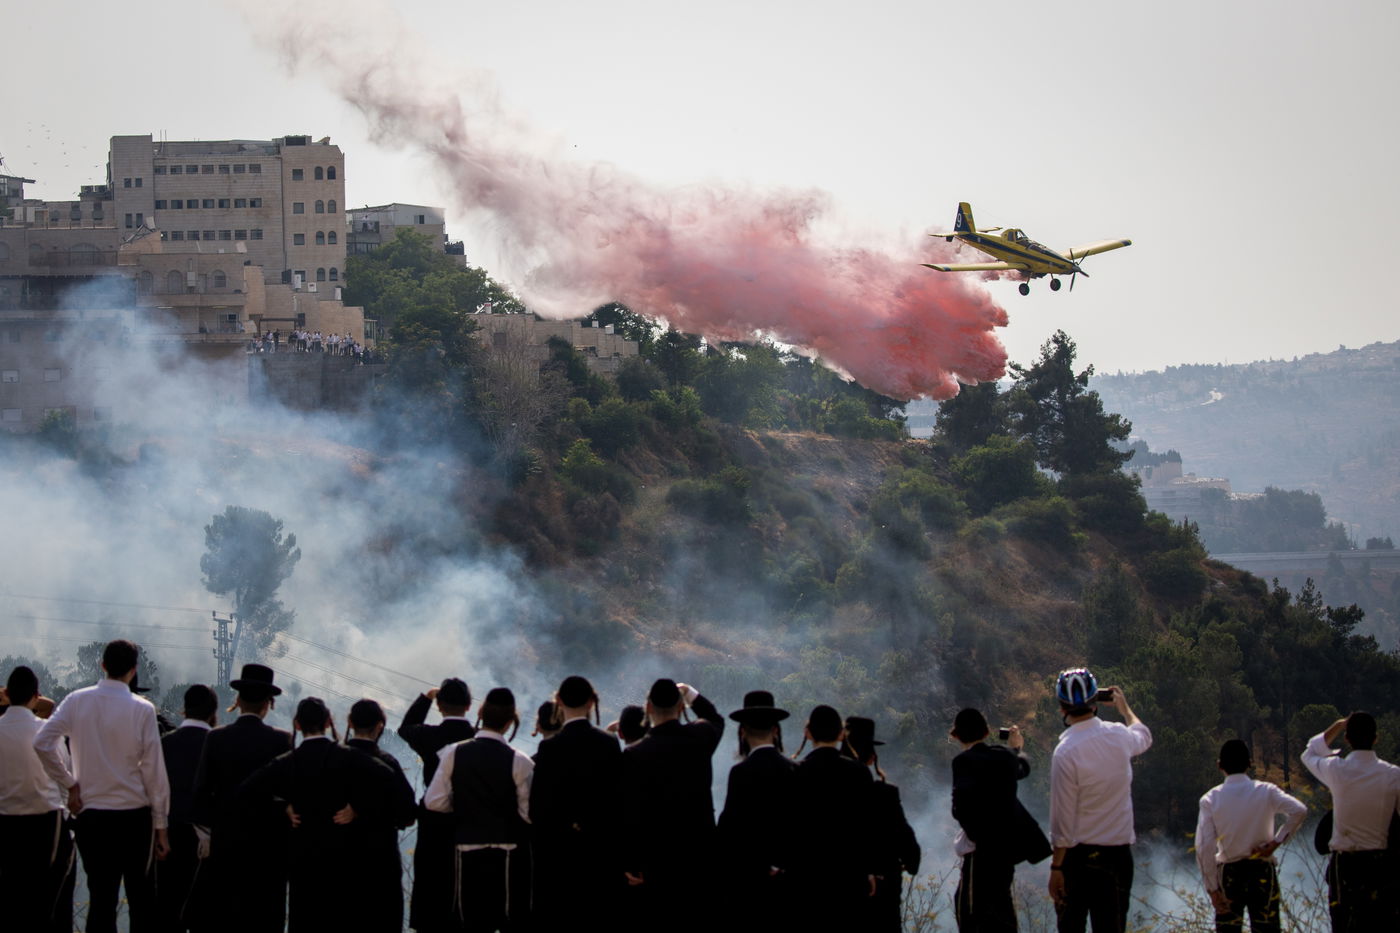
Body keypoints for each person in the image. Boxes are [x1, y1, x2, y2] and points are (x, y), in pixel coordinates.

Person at [34, 639, 170, 933]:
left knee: (101, 899)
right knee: (141, 899)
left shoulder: (76, 701)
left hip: (92, 816)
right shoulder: (143, 709)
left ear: (103, 665)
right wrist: (161, 826)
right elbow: (154, 772)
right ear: (133, 671)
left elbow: (42, 742)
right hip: (135, 818)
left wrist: (70, 784)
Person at [239, 696, 398, 933]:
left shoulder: (287, 762)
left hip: (302, 863)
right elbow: (388, 780)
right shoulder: (349, 757)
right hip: (342, 863)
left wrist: (283, 806)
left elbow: (246, 792)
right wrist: (358, 808)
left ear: (298, 725)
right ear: (328, 721)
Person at [1047, 668, 1152, 933]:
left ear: (1062, 708)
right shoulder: (1119, 735)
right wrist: (1125, 709)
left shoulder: (1065, 752)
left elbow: (1062, 819)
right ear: (1095, 702)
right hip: (1117, 856)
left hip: (1077, 859)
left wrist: (1057, 866)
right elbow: (1144, 736)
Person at [190, 663, 292, 933]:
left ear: (237, 700)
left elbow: (200, 796)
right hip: (269, 854)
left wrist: (211, 833)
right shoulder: (283, 741)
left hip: (225, 850)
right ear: (268, 704)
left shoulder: (216, 738)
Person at [425, 687, 534, 932]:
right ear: (509, 723)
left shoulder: (453, 753)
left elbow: (434, 802)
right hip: (507, 852)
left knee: (472, 922)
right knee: (508, 920)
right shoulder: (521, 761)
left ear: (480, 712)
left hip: (466, 847)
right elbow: (528, 813)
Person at [529, 675, 623, 929]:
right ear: (592, 702)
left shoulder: (549, 749)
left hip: (557, 857)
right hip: (600, 855)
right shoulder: (609, 743)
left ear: (558, 701)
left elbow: (538, 809)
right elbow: (618, 801)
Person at [950, 708, 1049, 933]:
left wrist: (976, 836)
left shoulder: (963, 761)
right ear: (986, 732)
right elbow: (1022, 768)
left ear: (956, 735)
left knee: (972, 914)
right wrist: (1016, 748)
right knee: (1001, 911)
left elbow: (960, 808)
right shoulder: (1004, 757)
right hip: (1005, 853)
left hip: (981, 853)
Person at [1300, 711, 1400, 931]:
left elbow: (1309, 754)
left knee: (1344, 925)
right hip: (1380, 865)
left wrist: (1337, 725)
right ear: (1376, 738)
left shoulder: (1336, 769)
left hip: (1345, 865)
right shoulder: (1393, 775)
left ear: (1347, 739)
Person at [1196, 739, 1306, 933]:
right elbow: (1299, 810)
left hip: (1229, 873)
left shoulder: (1210, 799)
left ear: (1219, 765)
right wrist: (1276, 842)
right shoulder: (1266, 791)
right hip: (1262, 869)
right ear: (1249, 763)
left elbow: (1205, 847)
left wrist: (1212, 889)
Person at [0, 665, 76, 933]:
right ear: (36, 696)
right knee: (49, 906)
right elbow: (63, 776)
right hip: (47, 823)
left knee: (12, 903)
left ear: (6, 693)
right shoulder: (47, 732)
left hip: (6, 823)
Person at [716, 690, 799, 932]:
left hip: (748, 886)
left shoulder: (740, 773)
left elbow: (729, 832)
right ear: (776, 730)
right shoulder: (795, 770)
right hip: (789, 886)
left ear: (742, 731)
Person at [399, 677, 476, 933]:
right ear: (468, 705)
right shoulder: (479, 739)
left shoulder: (429, 736)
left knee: (431, 892)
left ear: (441, 706)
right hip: (471, 827)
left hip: (433, 826)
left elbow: (406, 727)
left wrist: (426, 698)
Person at [789, 704, 877, 927]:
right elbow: (867, 828)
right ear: (840, 734)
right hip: (850, 881)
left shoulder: (794, 772)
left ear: (807, 733)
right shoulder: (860, 773)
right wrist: (867, 870)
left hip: (805, 882)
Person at [345, 698, 418, 933]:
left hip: (338, 862)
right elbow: (408, 814)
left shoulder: (332, 760)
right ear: (379, 727)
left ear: (350, 722)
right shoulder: (387, 763)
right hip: (381, 861)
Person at [847, 716, 922, 931]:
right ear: (871, 757)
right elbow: (906, 840)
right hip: (883, 892)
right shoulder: (884, 794)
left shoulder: (826, 793)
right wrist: (911, 862)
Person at [156, 684, 218, 933]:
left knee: (168, 910)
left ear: (184, 710)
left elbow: (155, 790)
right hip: (209, 842)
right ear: (213, 712)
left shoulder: (164, 744)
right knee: (205, 914)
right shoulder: (218, 742)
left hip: (168, 836)